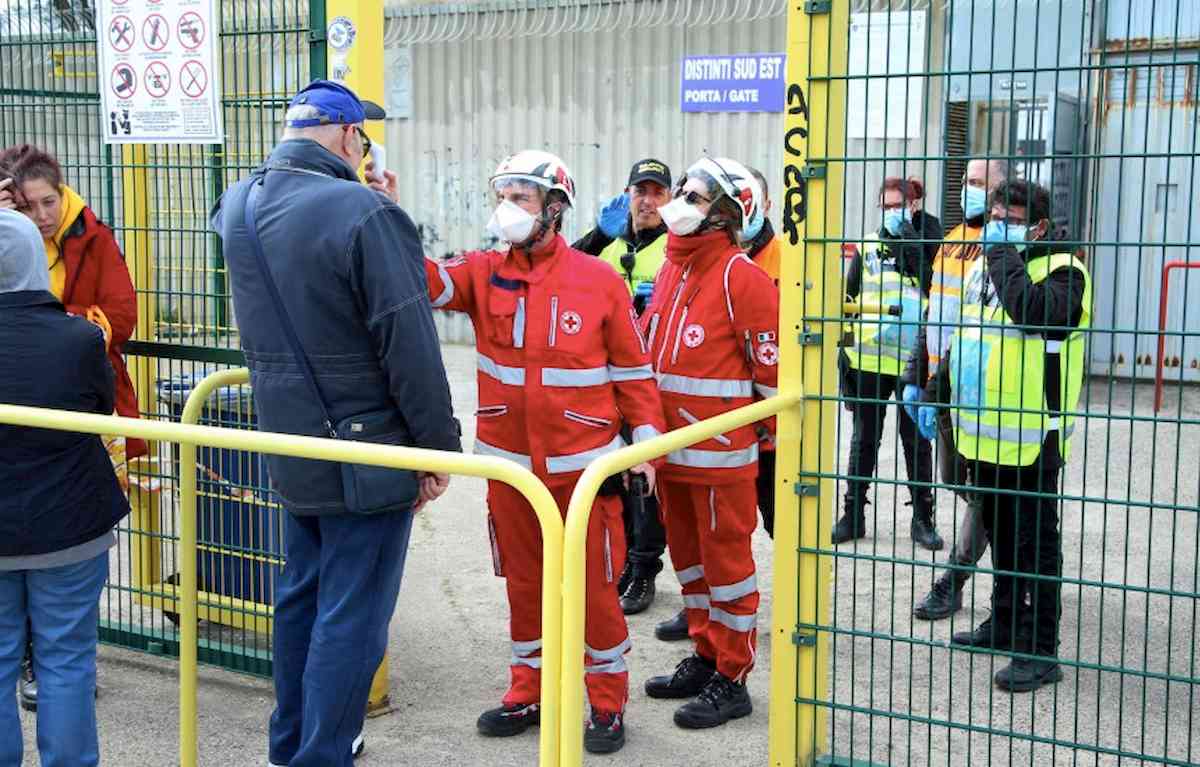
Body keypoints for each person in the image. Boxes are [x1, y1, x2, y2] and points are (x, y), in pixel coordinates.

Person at [210, 80, 462, 767]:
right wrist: (437, 447)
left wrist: (371, 206)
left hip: (291, 441)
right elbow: (407, 341)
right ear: (351, 137)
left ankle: (287, 745)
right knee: (352, 615)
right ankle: (322, 755)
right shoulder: (362, 210)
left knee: (301, 598)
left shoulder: (236, 203)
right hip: (367, 451)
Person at [412, 149, 665, 754]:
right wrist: (380, 206)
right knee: (522, 586)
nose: (508, 209)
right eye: (503, 196)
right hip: (511, 474)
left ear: (555, 208)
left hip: (584, 476)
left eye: (520, 198)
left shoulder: (598, 279)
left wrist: (646, 449)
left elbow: (634, 374)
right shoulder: (482, 270)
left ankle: (606, 703)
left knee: (595, 591)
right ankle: (528, 688)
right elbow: (419, 280)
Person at [921, 179, 1088, 693]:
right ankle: (1005, 622)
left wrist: (1000, 251)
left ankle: (1040, 651)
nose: (998, 223)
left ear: (1038, 226)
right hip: (982, 436)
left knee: (1034, 546)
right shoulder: (986, 266)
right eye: (996, 213)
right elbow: (967, 332)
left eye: (1011, 217)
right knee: (1002, 543)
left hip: (1032, 439)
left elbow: (1032, 312)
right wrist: (933, 386)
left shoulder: (1064, 269)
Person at [0, 145, 142, 713]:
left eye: (48, 201)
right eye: (27, 207)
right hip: (59, 468)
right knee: (64, 647)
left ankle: (39, 660)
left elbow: (121, 313)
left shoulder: (93, 236)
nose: (40, 215)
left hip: (72, 412)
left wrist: (57, 331)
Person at [640, 157, 779, 730]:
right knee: (691, 566)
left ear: (724, 213)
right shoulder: (675, 268)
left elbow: (770, 374)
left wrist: (755, 439)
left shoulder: (741, 276)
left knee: (728, 569)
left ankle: (733, 674)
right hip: (673, 456)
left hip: (722, 460)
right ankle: (704, 654)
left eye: (694, 197)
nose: (679, 202)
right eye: (683, 192)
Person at [902, 158, 1009, 620]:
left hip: (983, 391)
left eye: (981, 182)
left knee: (985, 490)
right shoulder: (950, 241)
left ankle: (955, 577)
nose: (970, 189)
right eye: (967, 181)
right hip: (943, 385)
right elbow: (935, 314)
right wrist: (916, 378)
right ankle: (1014, 543)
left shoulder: (1005, 244)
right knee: (958, 482)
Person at [573, 158, 672, 616]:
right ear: (628, 195)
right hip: (604, 378)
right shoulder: (609, 245)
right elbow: (564, 267)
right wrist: (598, 234)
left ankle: (644, 568)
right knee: (612, 475)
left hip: (650, 380)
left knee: (645, 479)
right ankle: (624, 564)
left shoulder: (676, 245)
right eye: (641, 191)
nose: (648, 201)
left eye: (657, 193)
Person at [833, 177, 941, 549]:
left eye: (899, 206)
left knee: (916, 441)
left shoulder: (930, 242)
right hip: (867, 360)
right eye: (887, 207)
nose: (893, 213)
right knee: (864, 439)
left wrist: (915, 244)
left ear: (913, 207)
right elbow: (848, 300)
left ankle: (923, 518)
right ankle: (853, 515)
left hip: (913, 360)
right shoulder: (869, 246)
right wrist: (843, 356)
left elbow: (937, 293)